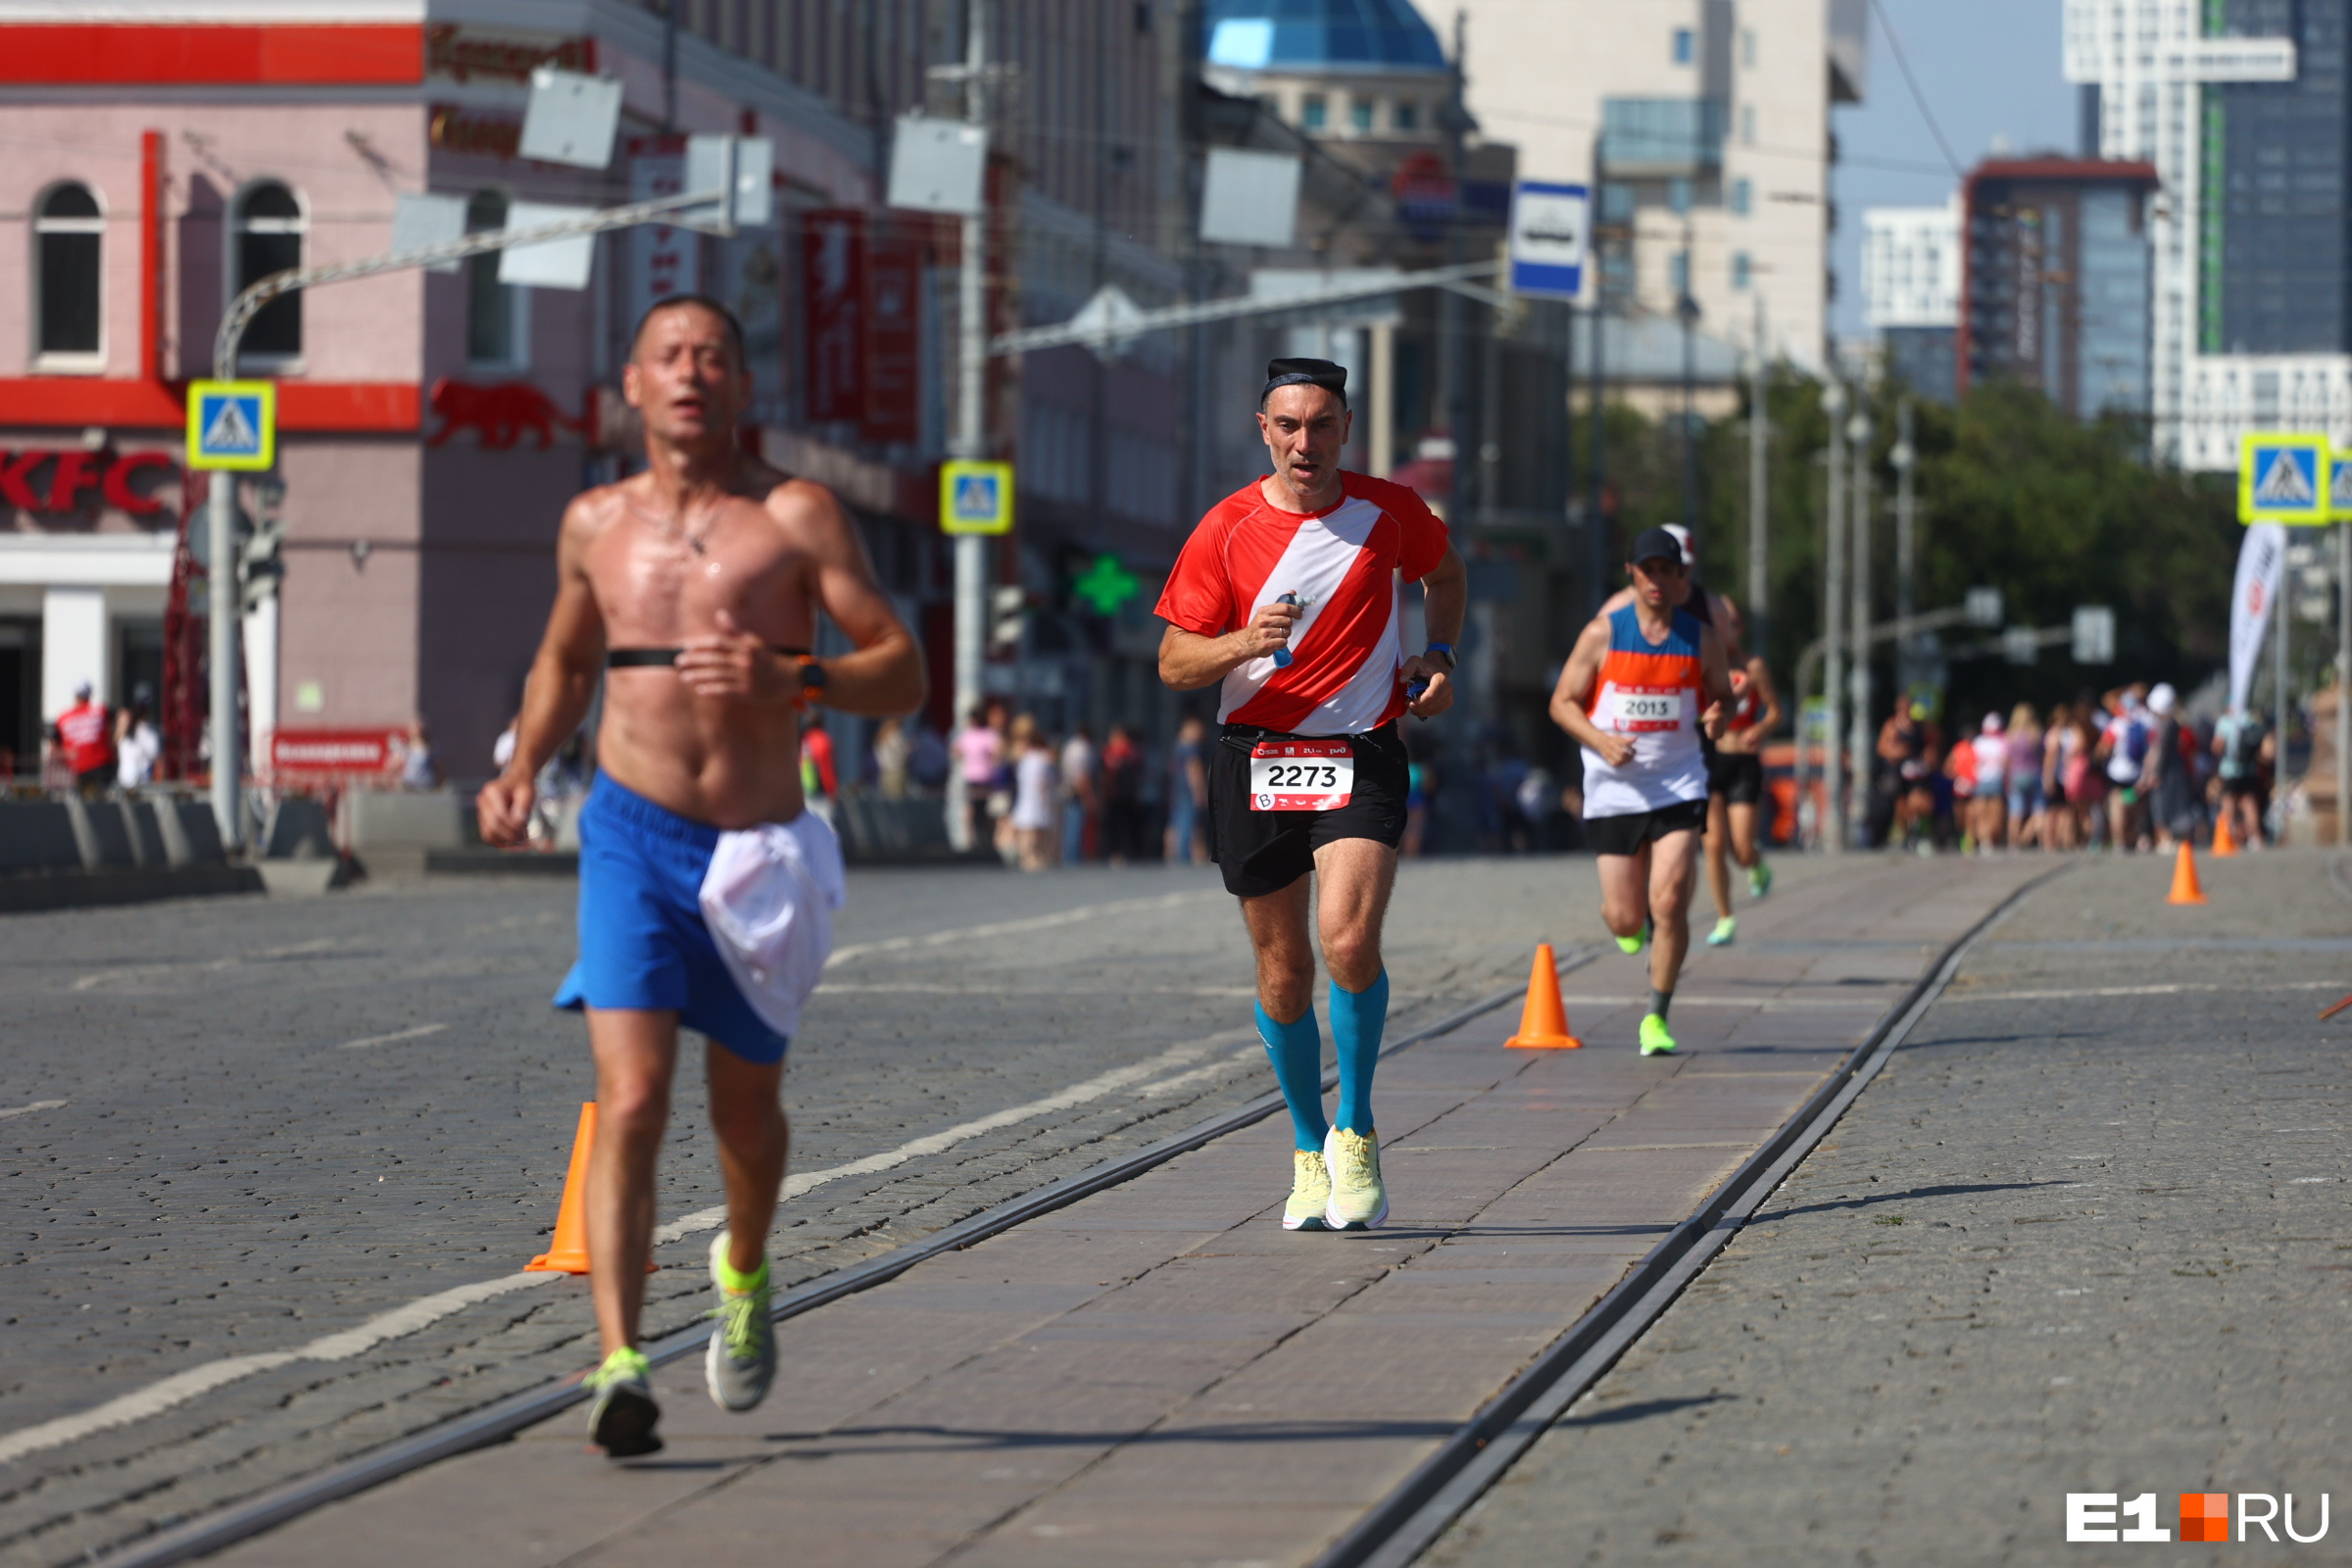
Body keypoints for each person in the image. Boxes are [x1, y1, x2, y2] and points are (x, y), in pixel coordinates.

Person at [475, 293, 923, 1458]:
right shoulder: (594, 524)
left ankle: (744, 1266)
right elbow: (566, 659)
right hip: (629, 836)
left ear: (741, 384)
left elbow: (901, 669)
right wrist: (521, 765)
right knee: (629, 1098)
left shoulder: (795, 517)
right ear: (631, 385)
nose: (691, 373)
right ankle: (620, 1362)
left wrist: (800, 681)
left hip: (754, 853)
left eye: (714, 355)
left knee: (745, 1113)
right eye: (669, 356)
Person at [1154, 355, 1466, 1233]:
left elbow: (1447, 578)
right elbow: (1176, 662)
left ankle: (1356, 1125)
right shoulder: (1224, 529)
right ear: (1265, 430)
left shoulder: (1390, 512)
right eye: (1289, 425)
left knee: (1349, 940)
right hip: (1254, 758)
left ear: (1345, 430)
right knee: (1284, 972)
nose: (1305, 441)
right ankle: (1306, 1148)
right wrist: (1243, 642)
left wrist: (1438, 659)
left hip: (1360, 753)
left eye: (1321, 424)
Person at [1548, 526, 1735, 1056]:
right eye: (1647, 569)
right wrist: (1601, 742)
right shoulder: (1603, 633)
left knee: (1671, 900)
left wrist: (1721, 715)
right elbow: (1562, 703)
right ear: (1631, 573)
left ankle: (1657, 1014)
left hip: (1679, 782)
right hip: (1614, 789)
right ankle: (1629, 925)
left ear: (1680, 578)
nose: (1657, 579)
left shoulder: (1701, 637)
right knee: (1626, 916)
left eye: (1666, 570)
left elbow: (1722, 696)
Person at [1702, 648, 1781, 947]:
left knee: (1742, 850)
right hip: (1710, 759)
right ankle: (1725, 918)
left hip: (1743, 762)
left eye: (1729, 623)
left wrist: (1759, 729)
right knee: (1713, 844)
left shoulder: (1754, 667)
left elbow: (1775, 711)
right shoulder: (1703, 661)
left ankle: (1756, 863)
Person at [2141, 682, 2197, 849]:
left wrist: (2153, 773)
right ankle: (2169, 839)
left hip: (2166, 773)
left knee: (2163, 805)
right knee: (2169, 805)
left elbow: (2159, 750)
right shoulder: (2168, 724)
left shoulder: (2166, 725)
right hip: (2171, 771)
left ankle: (2167, 839)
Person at [2213, 705, 2266, 850]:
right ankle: (2255, 838)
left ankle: (2228, 836)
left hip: (2229, 771)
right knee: (2249, 804)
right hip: (2248, 770)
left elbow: (2217, 746)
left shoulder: (2225, 721)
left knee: (2228, 803)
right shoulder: (2248, 719)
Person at [1008, 716, 1057, 869]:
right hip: (1035, 799)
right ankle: (1033, 857)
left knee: (1030, 832)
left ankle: (1030, 857)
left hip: (1028, 798)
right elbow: (1042, 782)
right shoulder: (1039, 759)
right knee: (1035, 832)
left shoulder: (1027, 758)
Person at [951, 703, 1002, 850]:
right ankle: (972, 841)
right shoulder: (967, 735)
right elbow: (956, 751)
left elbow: (997, 753)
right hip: (972, 778)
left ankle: (986, 840)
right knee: (971, 810)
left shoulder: (989, 734)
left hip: (986, 778)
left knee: (987, 811)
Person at [51, 681, 115, 797]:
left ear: (75, 696)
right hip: (102, 766)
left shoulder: (63, 718)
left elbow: (54, 745)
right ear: (90, 695)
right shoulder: (101, 711)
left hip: (77, 769)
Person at [1100, 721, 1145, 865]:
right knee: (1120, 826)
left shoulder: (1123, 752)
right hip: (1120, 795)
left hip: (1120, 795)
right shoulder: (1129, 752)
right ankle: (1121, 852)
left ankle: (1121, 853)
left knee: (1121, 826)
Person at [1165, 713, 1208, 864]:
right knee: (1188, 822)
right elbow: (1194, 770)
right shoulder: (1191, 747)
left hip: (1177, 788)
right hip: (1188, 789)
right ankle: (1184, 855)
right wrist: (1199, 791)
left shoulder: (1178, 744)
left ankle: (1174, 854)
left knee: (1177, 822)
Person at [2004, 703, 2043, 851]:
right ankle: (2028, 837)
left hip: (2016, 775)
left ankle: (2013, 843)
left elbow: (2007, 760)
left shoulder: (2011, 735)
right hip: (2034, 773)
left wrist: (2007, 777)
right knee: (2039, 810)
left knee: (2015, 811)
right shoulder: (2036, 733)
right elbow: (2041, 756)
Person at [1058, 722, 1098, 865]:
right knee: (1076, 827)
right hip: (1077, 792)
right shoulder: (1083, 749)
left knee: (1069, 826)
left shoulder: (1070, 746)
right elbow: (1082, 776)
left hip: (1068, 789)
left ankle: (1068, 857)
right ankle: (1072, 859)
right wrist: (1088, 797)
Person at [115, 686, 160, 791]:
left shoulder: (141, 732)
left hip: (128, 782)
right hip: (136, 785)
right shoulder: (147, 733)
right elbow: (156, 756)